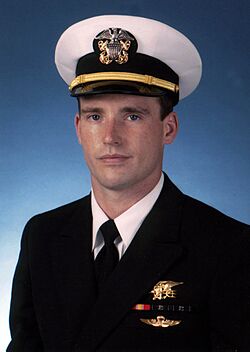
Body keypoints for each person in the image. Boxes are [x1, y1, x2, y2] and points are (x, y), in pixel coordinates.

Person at [7, 15, 250, 352]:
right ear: (78, 128)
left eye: (132, 115)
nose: (110, 137)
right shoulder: (42, 237)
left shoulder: (229, 248)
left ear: (168, 129)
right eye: (95, 116)